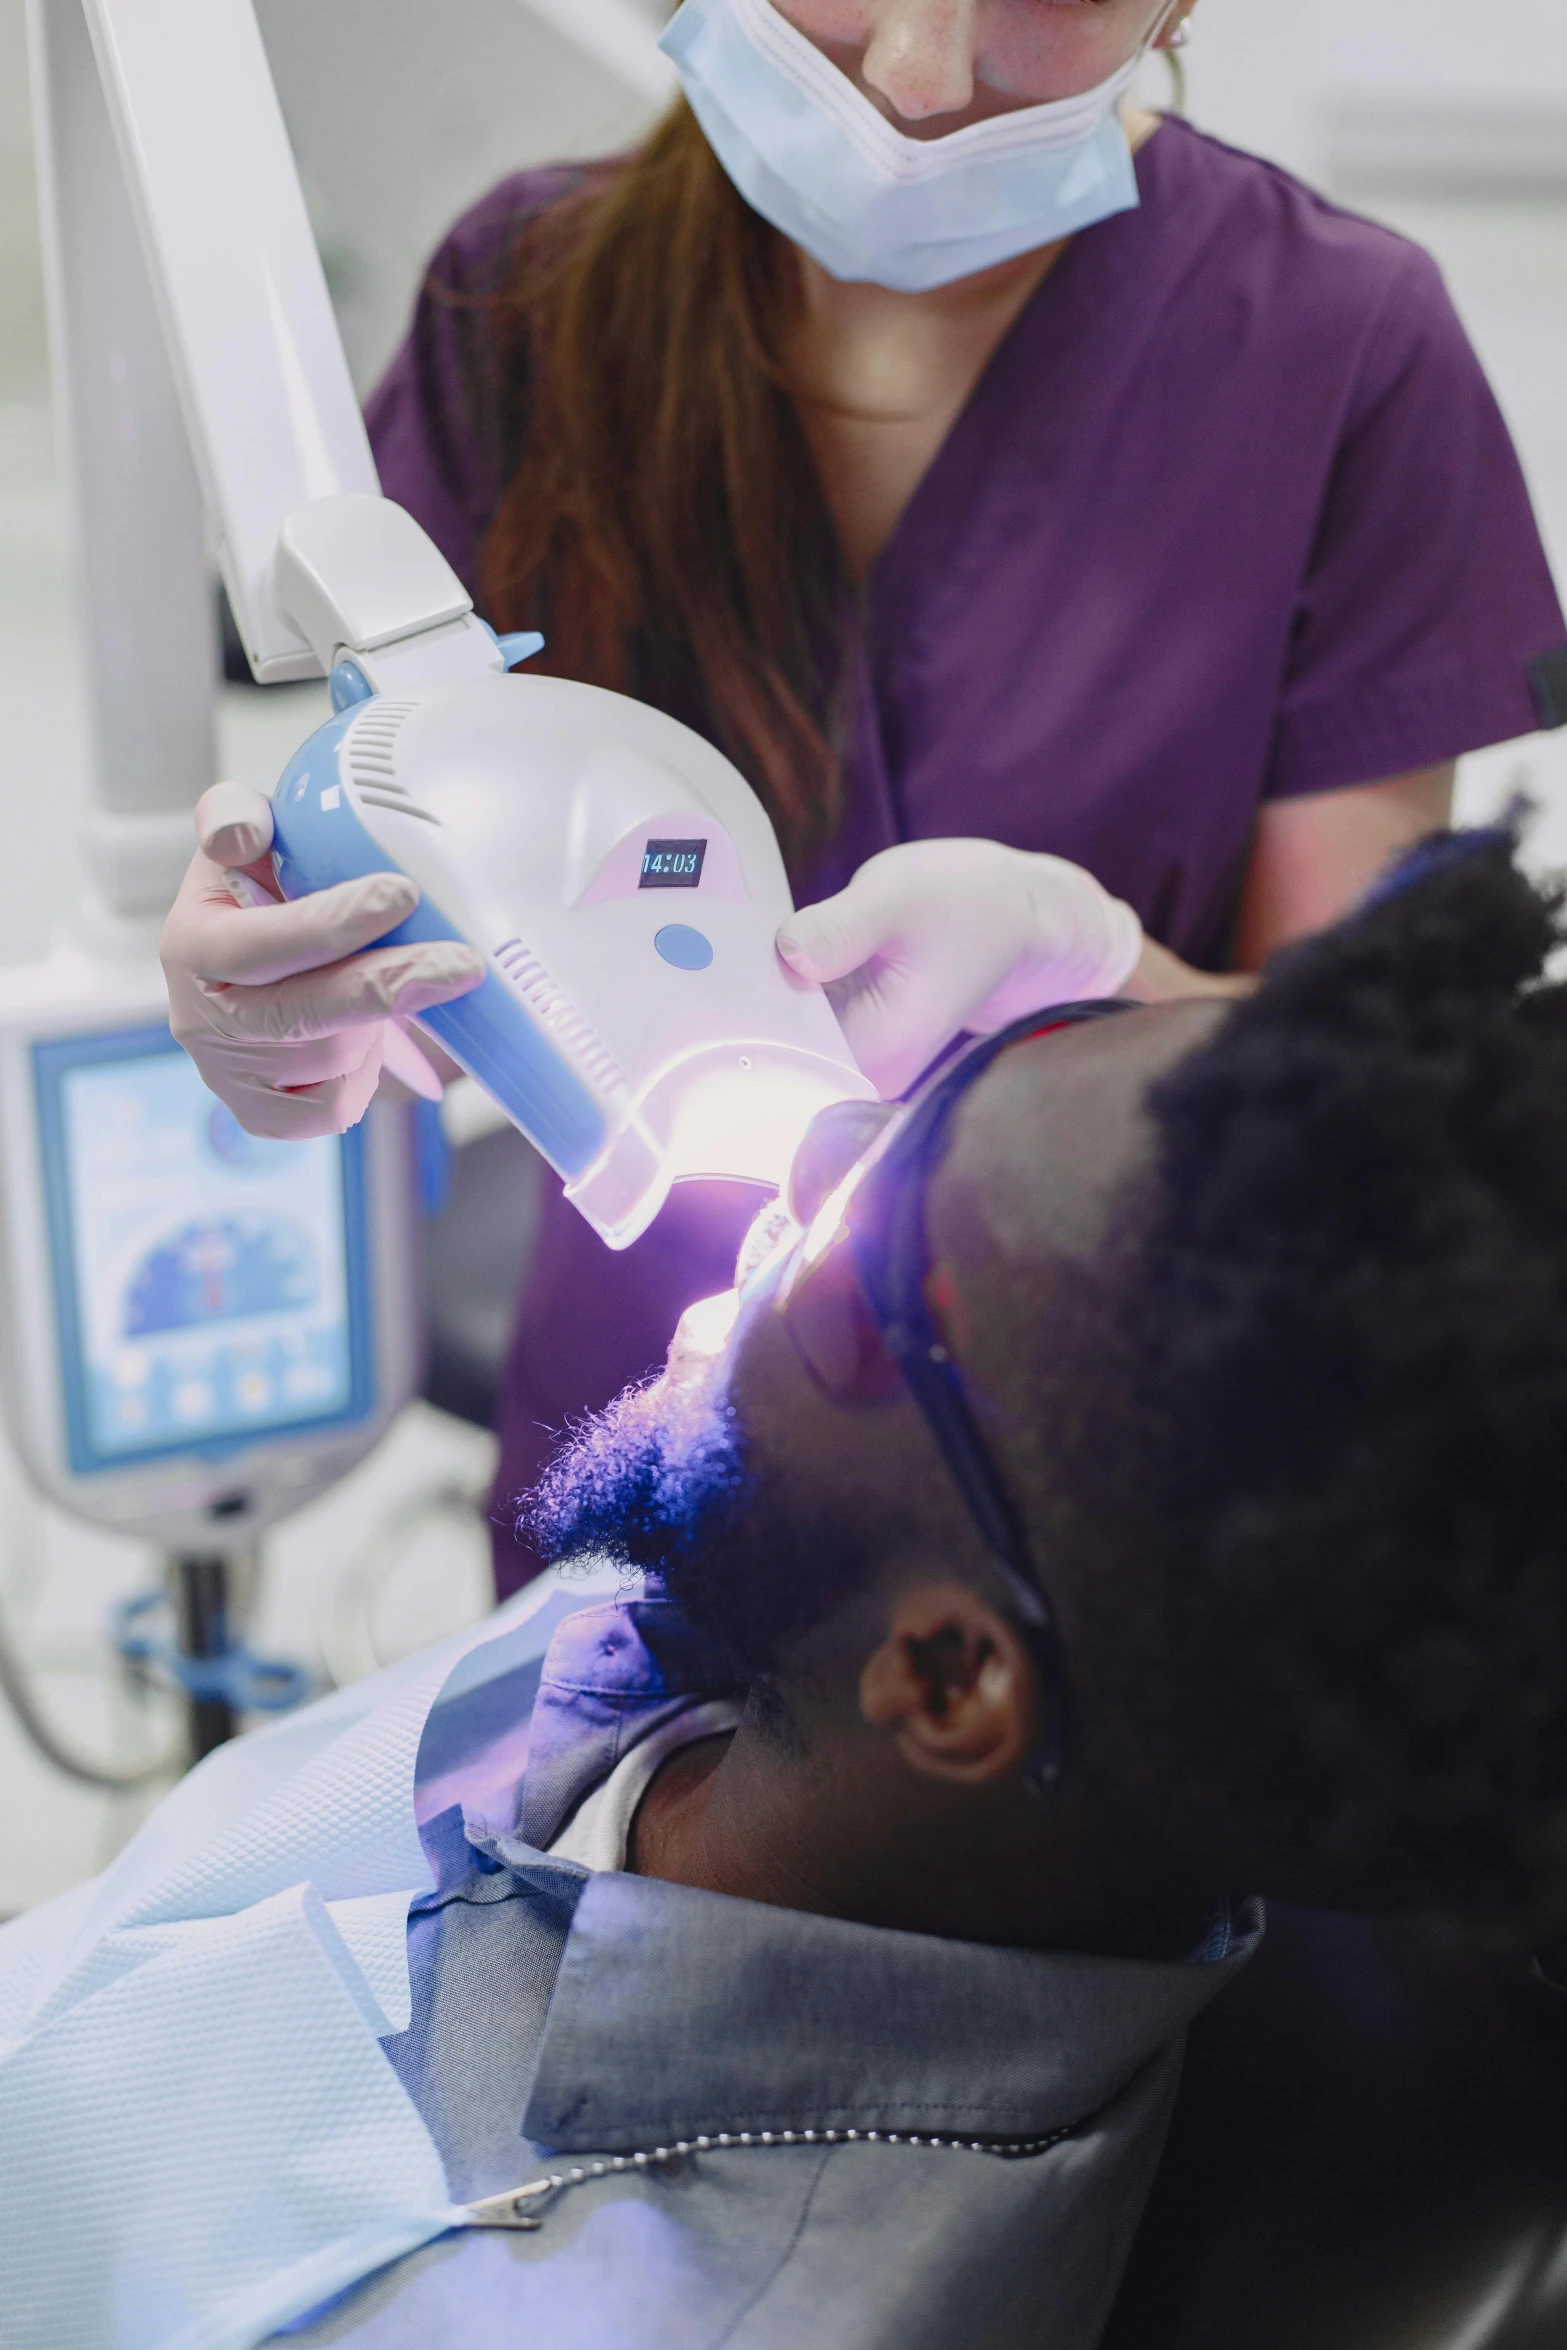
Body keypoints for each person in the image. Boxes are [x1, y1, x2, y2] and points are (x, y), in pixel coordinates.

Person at [14, 831, 1567, 2350]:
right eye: (942, 1087)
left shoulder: (621, 2292)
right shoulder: (780, 1608)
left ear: (949, 1680)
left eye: (870, 1269)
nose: (822, 1142)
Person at [159, 0, 1567, 1596]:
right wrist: (292, 1006)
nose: (915, 78)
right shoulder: (531, 294)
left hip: (1102, 1476)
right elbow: (396, 841)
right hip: (639, 1423)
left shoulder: (1338, 350)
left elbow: (1362, 1116)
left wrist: (1091, 962)